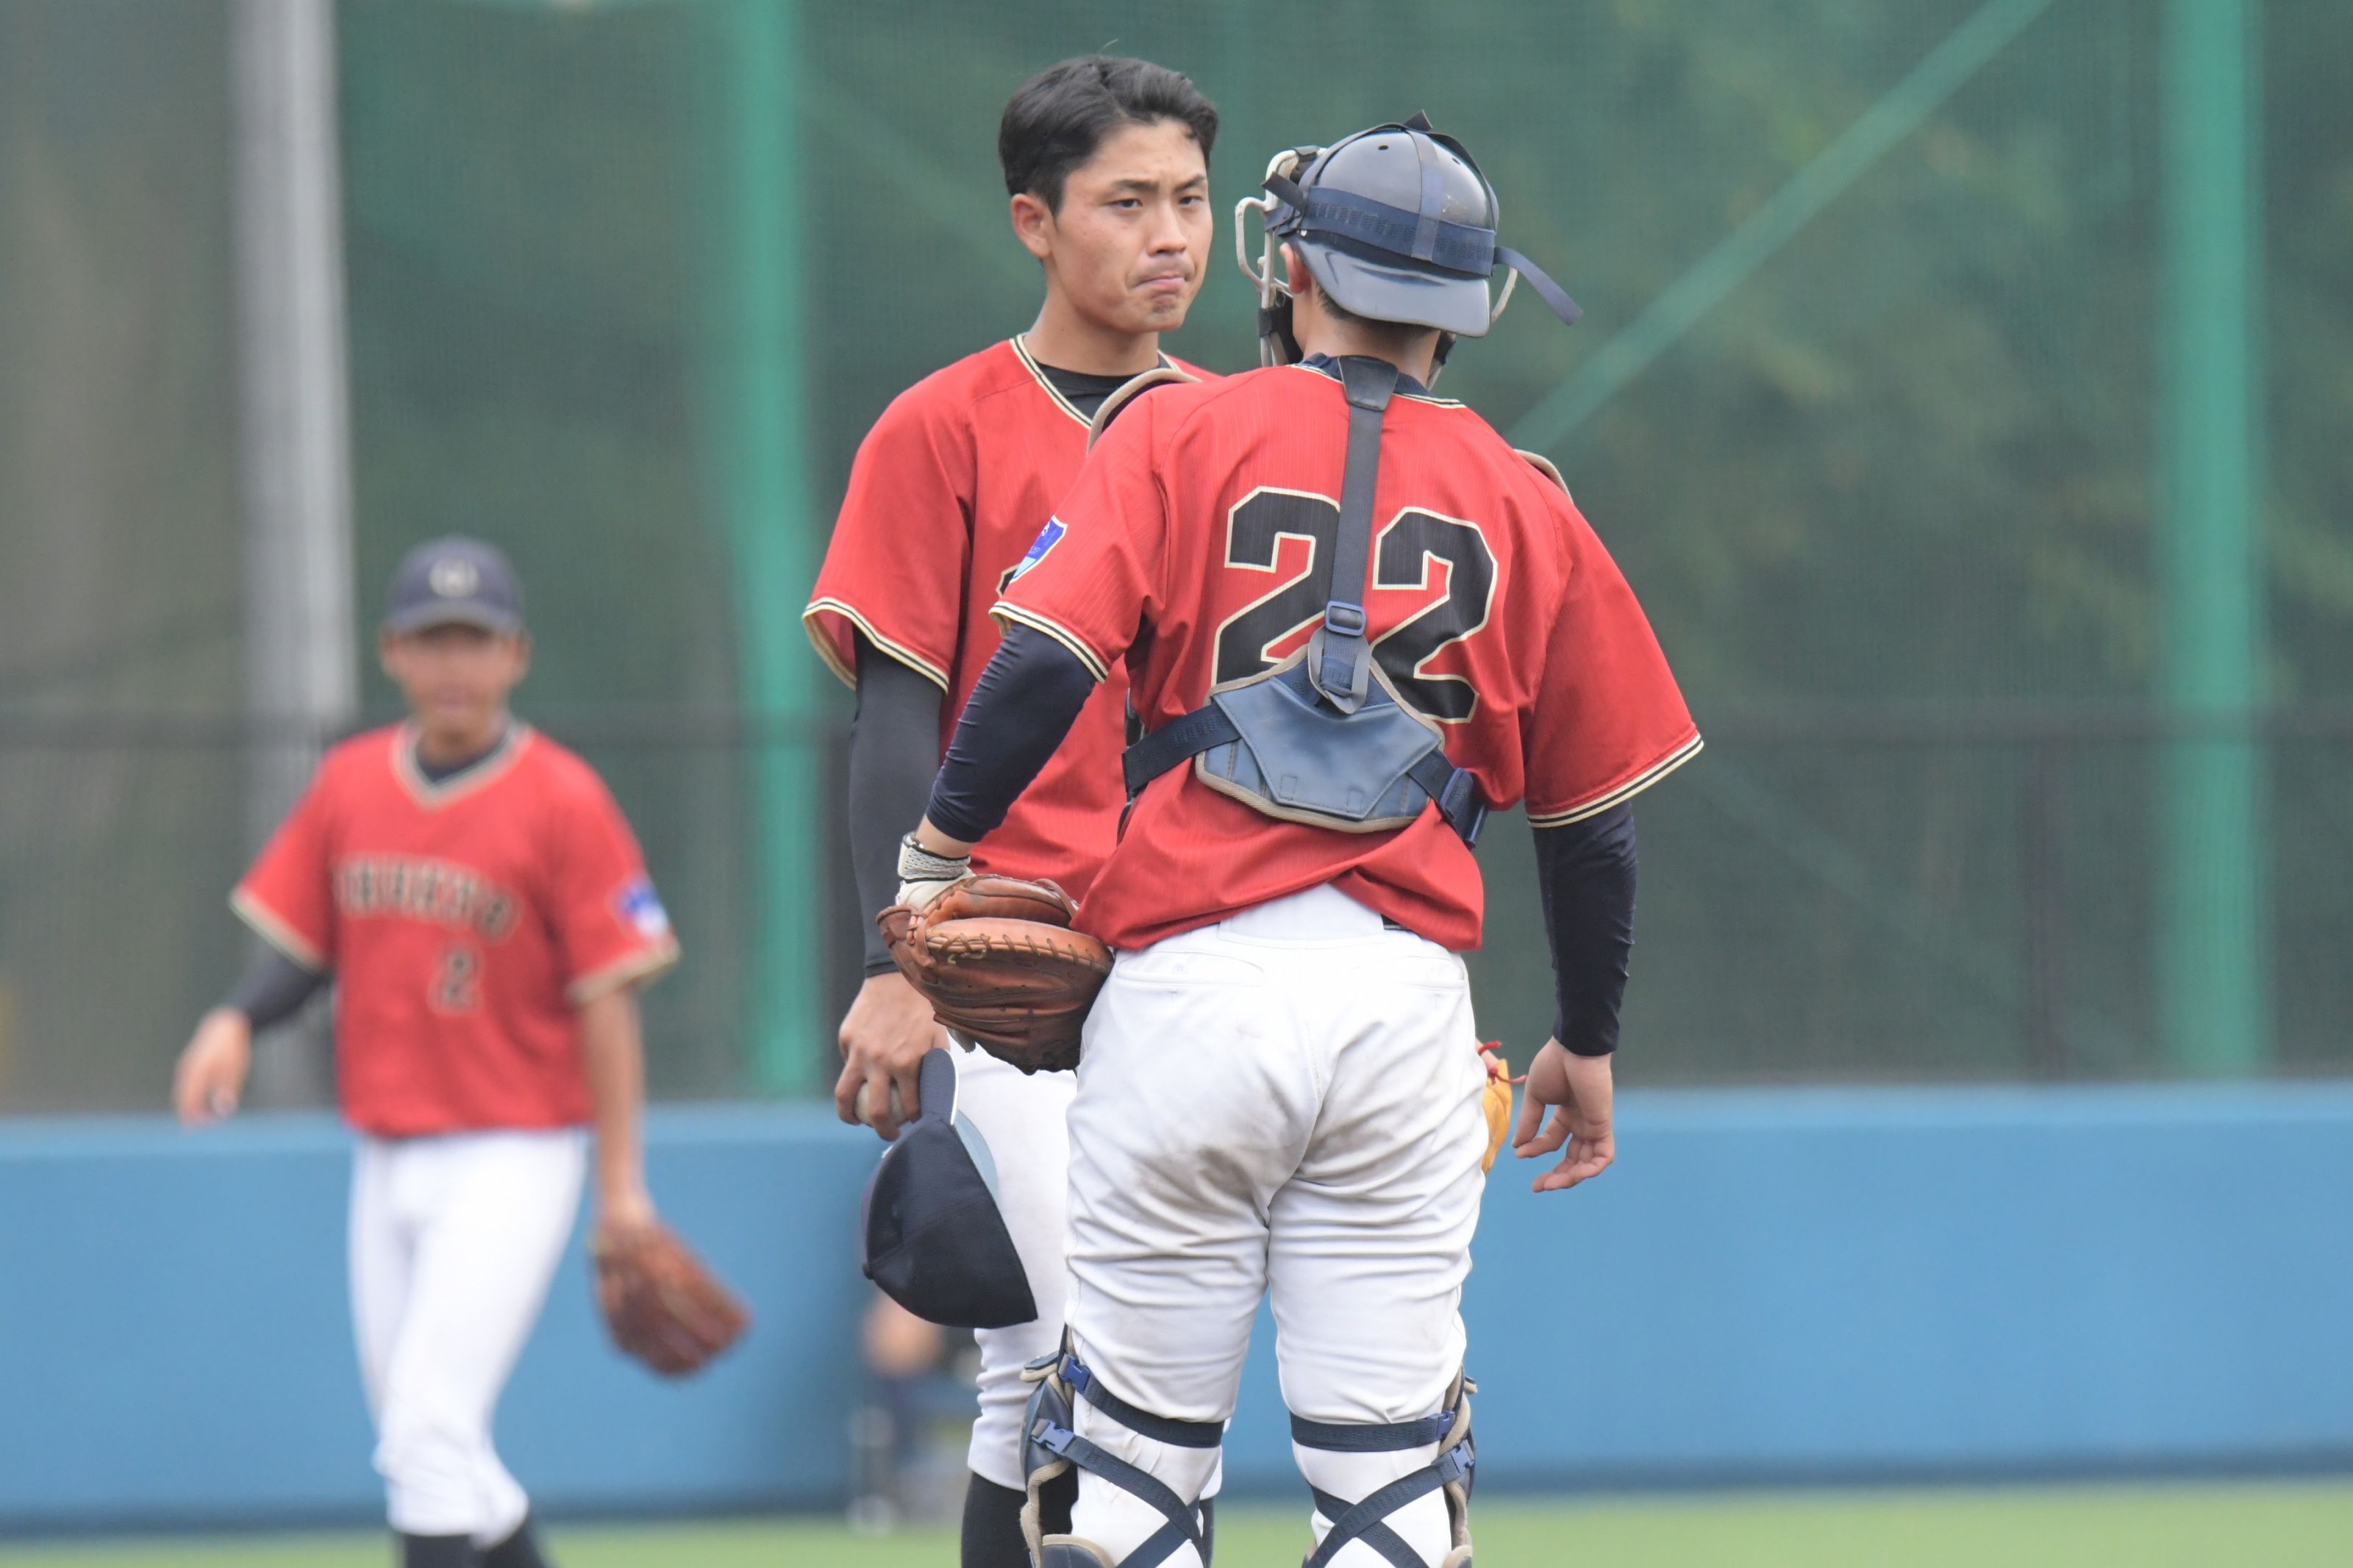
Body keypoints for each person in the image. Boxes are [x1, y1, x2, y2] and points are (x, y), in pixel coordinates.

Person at [896, 116, 1701, 1568]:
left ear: (1291, 270)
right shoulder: (1527, 501)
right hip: (1403, 1014)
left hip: (1186, 990)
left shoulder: (1180, 430)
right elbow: (1591, 832)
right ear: (1475, 304)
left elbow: (1037, 670)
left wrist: (934, 857)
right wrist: (1588, 1032)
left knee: (1123, 1480)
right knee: (1392, 1485)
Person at [803, 54, 1221, 1568]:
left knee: (1076, 1386)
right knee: (1064, 1357)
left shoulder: (1243, 432)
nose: (1170, 234)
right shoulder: (946, 428)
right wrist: (895, 965)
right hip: (1007, 962)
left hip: (1200, 961)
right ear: (1035, 223)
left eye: (1189, 198)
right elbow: (894, 719)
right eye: (1127, 202)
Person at [171, 538, 682, 1568]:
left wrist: (621, 1188)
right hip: (389, 1153)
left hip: (516, 1151)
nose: (456, 663)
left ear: (517, 655)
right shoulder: (351, 782)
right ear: (392, 652)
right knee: (437, 1450)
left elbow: (609, 1003)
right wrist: (235, 1016)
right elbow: (306, 950)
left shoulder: (563, 797)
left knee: (425, 1430)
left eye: (477, 640)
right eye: (433, 639)